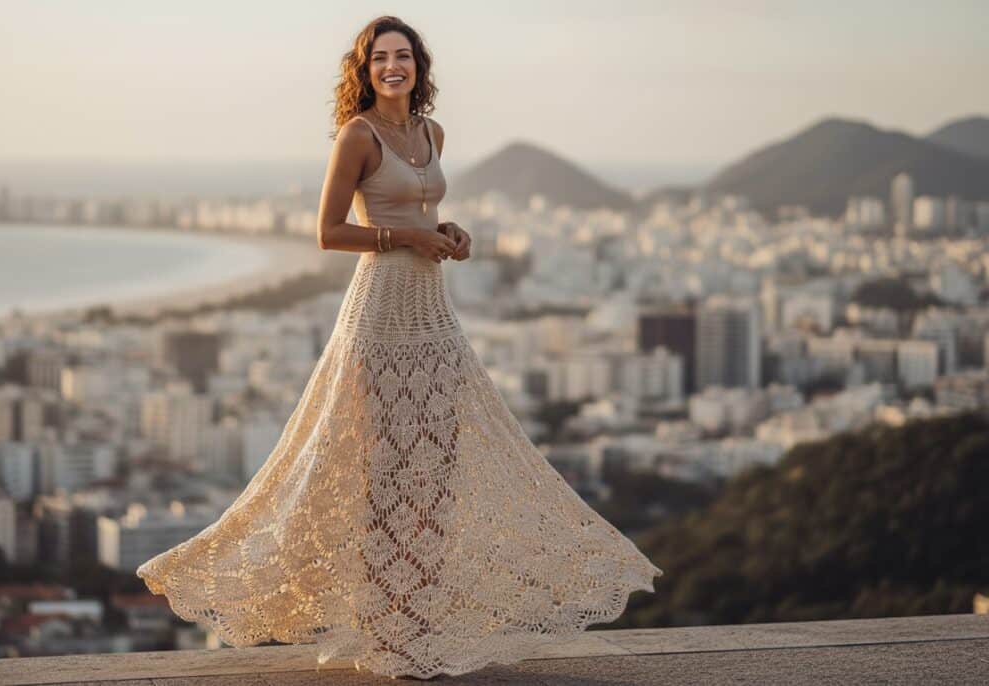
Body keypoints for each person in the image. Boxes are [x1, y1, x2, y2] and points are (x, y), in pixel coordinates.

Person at [136, 14, 663, 680]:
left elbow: (421, 210)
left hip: (431, 310)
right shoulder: (358, 135)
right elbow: (328, 231)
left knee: (436, 471)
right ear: (365, 70)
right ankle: (390, 634)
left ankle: (421, 623)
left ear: (419, 66)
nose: (393, 66)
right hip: (379, 312)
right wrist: (407, 237)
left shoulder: (431, 132)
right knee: (384, 473)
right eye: (380, 57)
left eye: (403, 55)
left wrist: (447, 230)